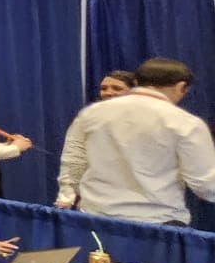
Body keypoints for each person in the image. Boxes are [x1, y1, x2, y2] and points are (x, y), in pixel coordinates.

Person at [56, 57, 215, 224]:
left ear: (137, 81)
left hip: (93, 218)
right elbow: (205, 184)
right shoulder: (186, 123)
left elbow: (74, 161)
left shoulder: (91, 114)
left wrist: (66, 195)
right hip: (156, 224)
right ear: (181, 86)